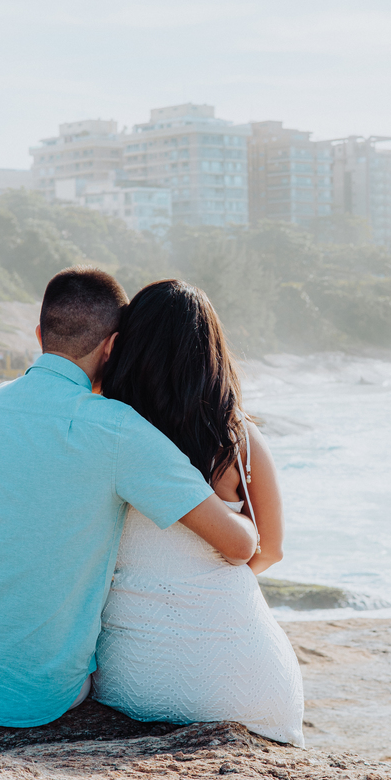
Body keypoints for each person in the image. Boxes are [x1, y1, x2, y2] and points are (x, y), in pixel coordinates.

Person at [0, 267, 259, 727]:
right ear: (113, 347)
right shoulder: (116, 430)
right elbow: (239, 546)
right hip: (36, 695)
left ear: (39, 334)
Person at [91, 279, 305, 747]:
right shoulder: (237, 437)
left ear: (127, 346)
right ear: (211, 352)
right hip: (248, 674)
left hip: (134, 673)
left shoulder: (103, 431)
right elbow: (270, 550)